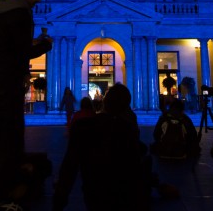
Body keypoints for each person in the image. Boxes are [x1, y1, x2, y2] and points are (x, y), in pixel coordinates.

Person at [0, 0, 53, 211]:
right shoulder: (20, 12)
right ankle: (1, 196)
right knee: (10, 141)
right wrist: (44, 45)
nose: (38, 1)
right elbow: (21, 52)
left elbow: (6, 47)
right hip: (6, 85)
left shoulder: (1, 11)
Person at [53, 83, 150, 211]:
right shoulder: (126, 129)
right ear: (126, 106)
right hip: (123, 193)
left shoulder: (83, 127)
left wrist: (61, 195)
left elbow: (70, 163)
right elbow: (134, 163)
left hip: (93, 189)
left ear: (105, 102)